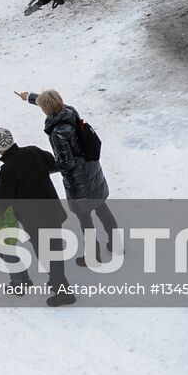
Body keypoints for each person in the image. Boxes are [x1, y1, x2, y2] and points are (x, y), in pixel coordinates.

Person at [16, 88, 116, 262]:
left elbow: (66, 163)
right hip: (92, 170)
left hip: (79, 181)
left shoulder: (58, 134)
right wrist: (29, 98)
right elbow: (48, 101)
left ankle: (94, 256)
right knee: (102, 208)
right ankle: (116, 244)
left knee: (85, 219)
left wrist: (42, 170)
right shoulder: (69, 111)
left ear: (46, 110)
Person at [0, 127, 74, 306]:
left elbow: (3, 200)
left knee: (47, 255)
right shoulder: (33, 151)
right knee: (54, 250)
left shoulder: (7, 171)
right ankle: (56, 280)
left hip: (35, 220)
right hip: (52, 211)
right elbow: (52, 162)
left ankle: (64, 293)